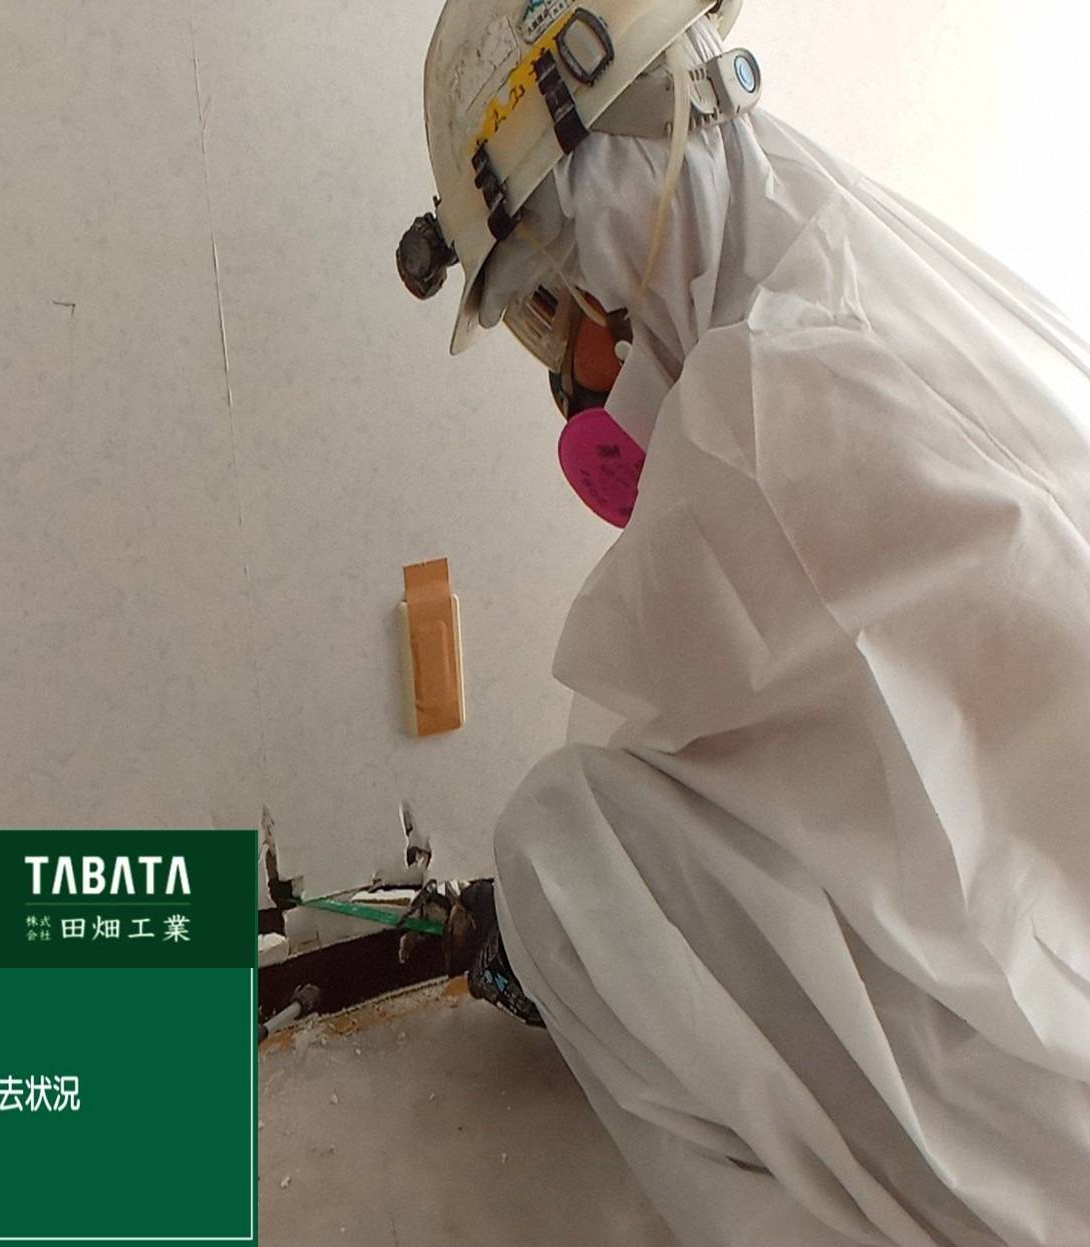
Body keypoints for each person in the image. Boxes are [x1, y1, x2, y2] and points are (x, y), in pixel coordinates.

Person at [397, 3, 1090, 1244]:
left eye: (548, 313)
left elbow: (646, 763)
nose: (572, 378)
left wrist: (546, 938)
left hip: (1062, 1128)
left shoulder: (759, 398)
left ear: (588, 239)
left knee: (561, 849)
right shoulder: (870, 259)